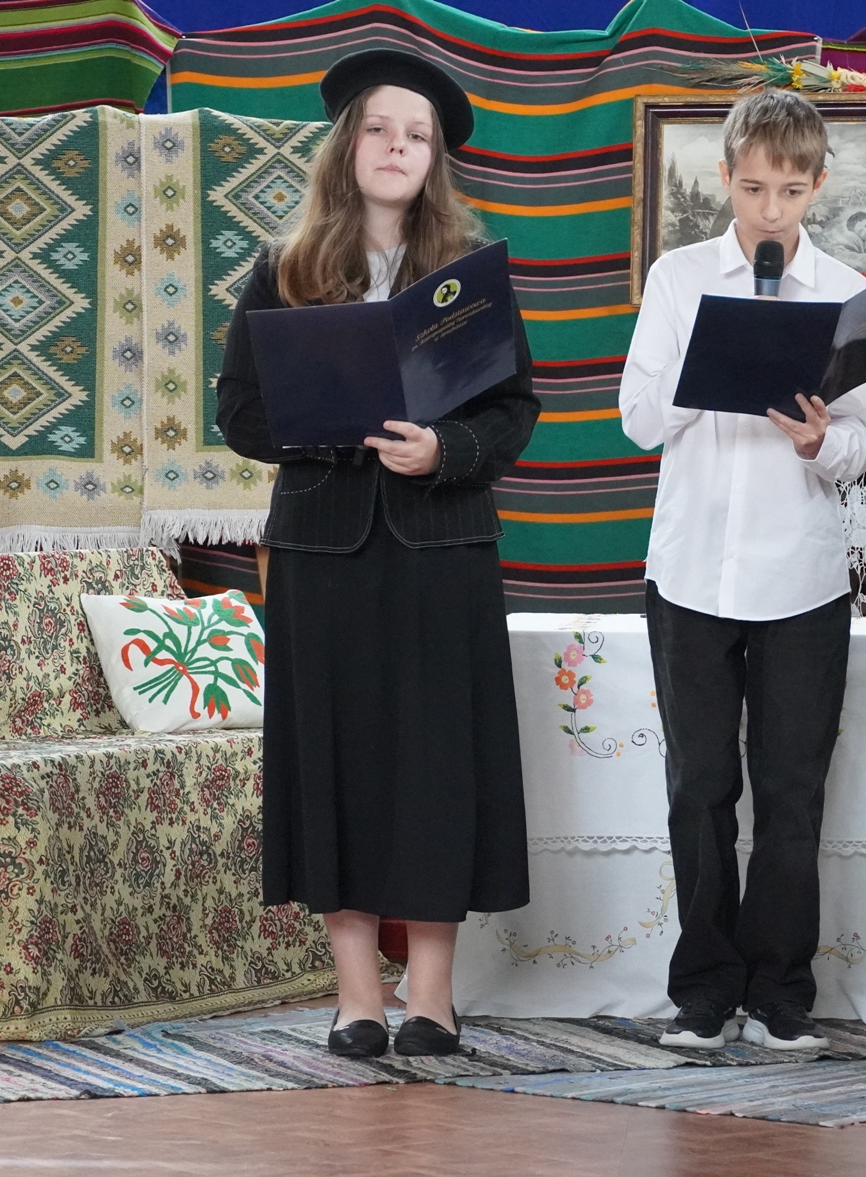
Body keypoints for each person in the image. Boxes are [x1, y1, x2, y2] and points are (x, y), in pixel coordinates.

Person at [216, 49, 540, 1059]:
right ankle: (356, 993)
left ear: (435, 159)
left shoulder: (470, 275)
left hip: (443, 545)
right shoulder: (284, 269)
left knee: (438, 764)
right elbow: (239, 412)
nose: (397, 147)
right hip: (325, 548)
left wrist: (446, 452)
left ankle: (432, 994)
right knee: (337, 762)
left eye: (418, 136)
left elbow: (515, 413)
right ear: (347, 145)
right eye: (380, 128)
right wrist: (329, 424)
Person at [620, 89, 866, 1052]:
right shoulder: (679, 277)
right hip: (690, 570)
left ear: (819, 186)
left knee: (791, 792)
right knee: (698, 787)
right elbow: (637, 419)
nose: (771, 211)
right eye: (755, 188)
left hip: (802, 577)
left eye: (791, 191)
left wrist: (821, 441)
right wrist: (710, 366)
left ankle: (780, 992)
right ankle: (703, 988)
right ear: (725, 176)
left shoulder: (846, 291)